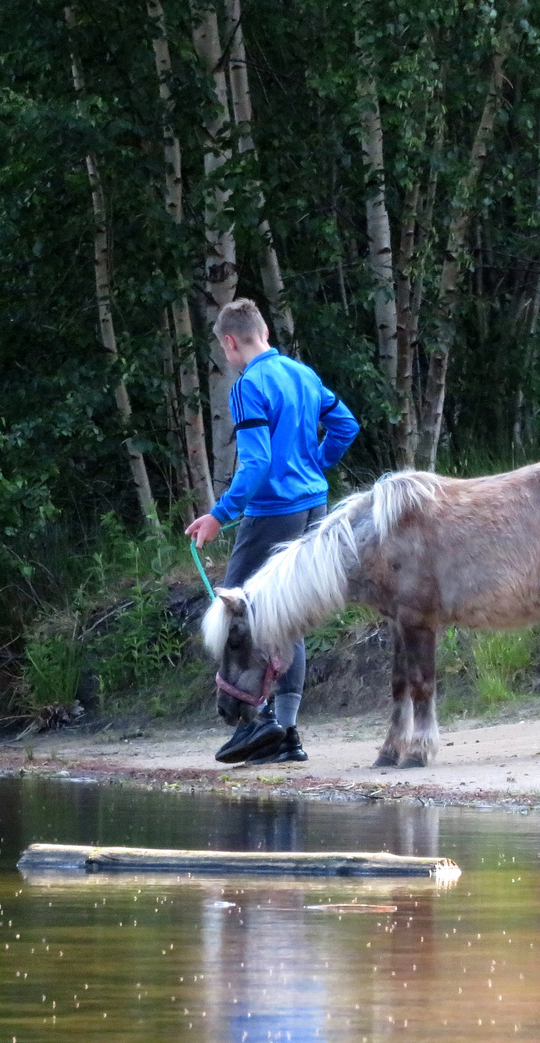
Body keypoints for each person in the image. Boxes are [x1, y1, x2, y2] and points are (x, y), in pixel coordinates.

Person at [185, 298, 359, 764]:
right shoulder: (302, 374)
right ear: (263, 331)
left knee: (237, 612)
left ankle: (255, 724)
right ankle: (287, 734)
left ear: (230, 341)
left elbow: (257, 464)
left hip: (272, 512)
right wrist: (314, 466)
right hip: (313, 508)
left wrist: (218, 515)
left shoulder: (247, 386)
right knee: (286, 616)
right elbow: (345, 425)